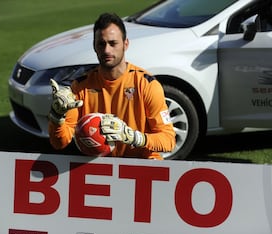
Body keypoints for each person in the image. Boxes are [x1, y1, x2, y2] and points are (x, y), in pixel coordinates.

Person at [48, 12, 176, 160]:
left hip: (141, 165)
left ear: (125, 44)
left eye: (113, 43)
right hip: (99, 165)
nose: (107, 50)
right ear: (94, 46)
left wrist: (135, 137)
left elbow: (168, 141)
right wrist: (57, 116)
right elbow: (59, 143)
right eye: (101, 44)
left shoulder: (147, 85)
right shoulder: (80, 87)